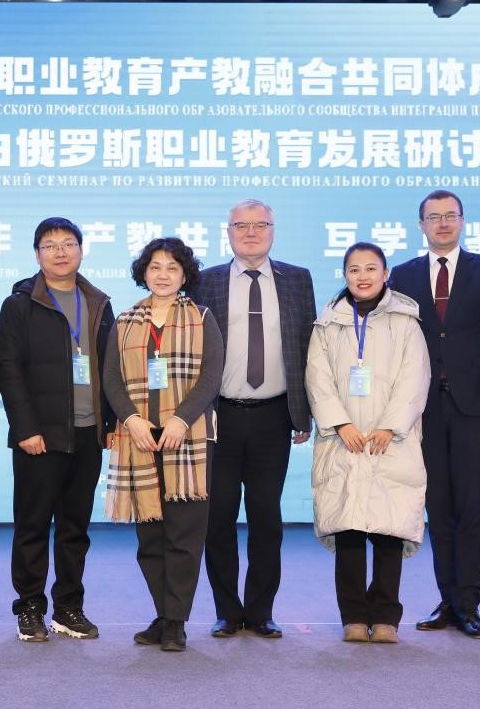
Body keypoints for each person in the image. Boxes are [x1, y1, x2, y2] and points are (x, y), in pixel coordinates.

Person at [388, 190, 480, 640]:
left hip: (476, 408)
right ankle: (448, 599)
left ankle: (469, 603)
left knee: (472, 508)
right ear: (420, 225)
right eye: (433, 217)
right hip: (424, 410)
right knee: (438, 510)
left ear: (462, 221)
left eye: (450, 216)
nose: (442, 223)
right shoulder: (402, 275)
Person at [191, 199, 314, 640]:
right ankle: (227, 610)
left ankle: (261, 611)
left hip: (273, 416)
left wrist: (305, 411)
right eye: (240, 225)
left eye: (259, 225)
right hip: (219, 416)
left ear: (273, 230)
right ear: (228, 232)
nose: (250, 232)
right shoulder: (205, 281)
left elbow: (307, 347)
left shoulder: (297, 279)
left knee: (267, 518)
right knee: (218, 518)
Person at [0, 217, 115, 642]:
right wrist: (25, 428)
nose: (60, 252)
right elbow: (8, 370)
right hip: (39, 437)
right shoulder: (20, 305)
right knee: (32, 526)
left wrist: (110, 422)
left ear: (81, 250)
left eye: (68, 244)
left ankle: (68, 608)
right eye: (50, 245)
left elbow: (111, 369)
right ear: (37, 255)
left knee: (74, 528)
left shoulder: (98, 303)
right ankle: (29, 607)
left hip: (88, 433)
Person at [103, 237, 223, 653]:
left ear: (185, 275)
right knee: (149, 538)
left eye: (172, 267)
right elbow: (112, 379)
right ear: (144, 272)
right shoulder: (125, 321)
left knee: (184, 537)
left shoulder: (202, 318)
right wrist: (132, 419)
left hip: (186, 439)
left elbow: (210, 377)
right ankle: (163, 613)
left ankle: (176, 621)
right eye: (155, 267)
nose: (163, 274)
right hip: (138, 439)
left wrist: (180, 419)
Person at [306, 242, 429, 644]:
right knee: (350, 531)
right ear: (344, 275)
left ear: (385, 273)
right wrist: (339, 423)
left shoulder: (405, 322)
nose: (362, 276)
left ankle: (387, 617)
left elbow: (415, 378)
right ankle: (354, 617)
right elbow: (317, 378)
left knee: (389, 530)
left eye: (371, 268)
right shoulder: (328, 323)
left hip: (391, 440)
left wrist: (390, 427)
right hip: (344, 440)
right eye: (354, 269)